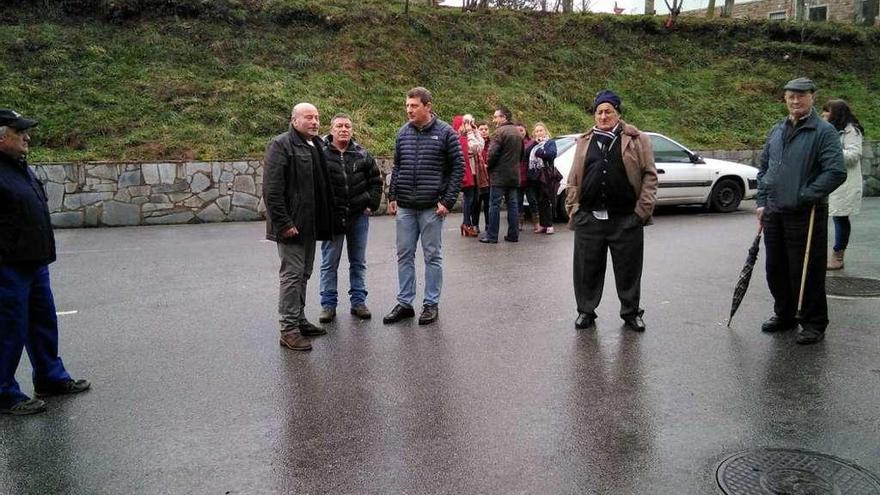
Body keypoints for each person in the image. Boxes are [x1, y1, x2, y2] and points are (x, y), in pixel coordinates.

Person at [0, 109, 91, 416]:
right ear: (1, 136)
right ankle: (4, 393)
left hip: (33, 261)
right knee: (8, 328)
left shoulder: (17, 166)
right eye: (19, 131)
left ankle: (50, 377)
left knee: (42, 321)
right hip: (7, 265)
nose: (27, 137)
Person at [756, 78, 846, 345]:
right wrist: (762, 200)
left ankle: (814, 322)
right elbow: (764, 169)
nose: (795, 101)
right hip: (774, 211)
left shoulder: (823, 132)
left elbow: (835, 171)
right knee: (776, 268)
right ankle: (784, 314)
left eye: (801, 96)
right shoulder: (777, 130)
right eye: (791, 96)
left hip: (806, 212)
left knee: (807, 270)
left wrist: (805, 195)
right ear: (785, 99)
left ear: (812, 98)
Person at [564, 91, 658, 332]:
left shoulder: (637, 139)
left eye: (608, 111)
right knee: (586, 270)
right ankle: (586, 311)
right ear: (594, 115)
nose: (603, 116)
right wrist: (574, 209)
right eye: (599, 112)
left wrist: (641, 212)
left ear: (618, 113)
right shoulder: (584, 140)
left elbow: (650, 176)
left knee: (628, 270)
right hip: (589, 218)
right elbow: (574, 177)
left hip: (626, 218)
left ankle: (630, 312)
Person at [384, 87, 464, 325]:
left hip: (432, 207)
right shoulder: (403, 133)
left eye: (414, 106)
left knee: (432, 256)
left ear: (428, 106)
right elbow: (398, 167)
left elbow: (457, 168)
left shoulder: (446, 133)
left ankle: (430, 304)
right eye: (407, 106)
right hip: (406, 207)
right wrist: (393, 195)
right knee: (404, 254)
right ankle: (405, 303)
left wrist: (447, 201)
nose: (409, 110)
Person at [263, 102, 335, 352]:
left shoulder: (315, 145)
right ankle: (288, 330)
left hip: (309, 226)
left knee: (303, 274)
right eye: (308, 117)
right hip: (291, 227)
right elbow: (272, 191)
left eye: (317, 117)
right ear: (294, 120)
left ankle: (299, 319)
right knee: (292, 277)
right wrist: (284, 223)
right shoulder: (281, 145)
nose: (314, 122)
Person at [318, 114, 383, 323]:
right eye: (339, 126)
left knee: (358, 262)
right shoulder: (320, 153)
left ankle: (358, 302)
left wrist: (371, 204)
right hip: (332, 217)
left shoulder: (362, 153)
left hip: (358, 217)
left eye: (347, 126)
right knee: (329, 263)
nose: (344, 129)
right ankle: (328, 305)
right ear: (331, 130)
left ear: (352, 130)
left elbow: (375, 180)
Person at [821, 100, 864, 271]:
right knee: (819, 217)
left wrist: (832, 150)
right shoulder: (827, 129)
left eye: (827, 111)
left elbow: (854, 155)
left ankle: (838, 256)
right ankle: (817, 255)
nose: (824, 114)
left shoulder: (851, 130)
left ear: (837, 113)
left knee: (840, 218)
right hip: (825, 181)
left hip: (844, 183)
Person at [480, 107, 522, 244]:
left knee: (494, 205)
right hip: (514, 175)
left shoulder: (499, 132)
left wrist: (488, 166)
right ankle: (513, 235)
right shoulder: (517, 132)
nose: (494, 120)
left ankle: (492, 236)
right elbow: (522, 154)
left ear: (503, 117)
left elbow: (492, 154)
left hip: (499, 175)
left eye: (496, 117)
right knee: (513, 205)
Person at [452, 114, 483, 238]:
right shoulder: (460, 139)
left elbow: (480, 145)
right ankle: (466, 223)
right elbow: (475, 147)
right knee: (469, 199)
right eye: (464, 124)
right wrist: (470, 132)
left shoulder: (465, 137)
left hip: (472, 172)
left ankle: (468, 223)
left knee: (473, 199)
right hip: (466, 173)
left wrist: (475, 131)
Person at [527, 122, 559, 234]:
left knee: (546, 199)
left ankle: (549, 224)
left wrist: (540, 151)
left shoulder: (550, 142)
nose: (539, 133)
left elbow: (551, 154)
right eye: (537, 131)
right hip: (535, 175)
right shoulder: (534, 144)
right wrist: (535, 144)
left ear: (545, 131)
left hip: (546, 174)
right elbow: (527, 153)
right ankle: (542, 225)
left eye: (541, 130)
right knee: (538, 200)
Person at [516, 121, 536, 232]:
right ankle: (519, 223)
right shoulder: (513, 143)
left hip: (529, 177)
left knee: (532, 200)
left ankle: (536, 223)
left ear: (525, 131)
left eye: (522, 130)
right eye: (517, 131)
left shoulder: (531, 142)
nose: (520, 133)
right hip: (517, 177)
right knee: (518, 201)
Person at [473, 122, 492, 232]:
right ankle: (475, 224)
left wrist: (488, 165)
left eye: (486, 129)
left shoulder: (492, 143)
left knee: (488, 204)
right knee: (476, 203)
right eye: (481, 129)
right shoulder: (475, 143)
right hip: (478, 178)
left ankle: (489, 225)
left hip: (489, 177)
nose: (484, 131)